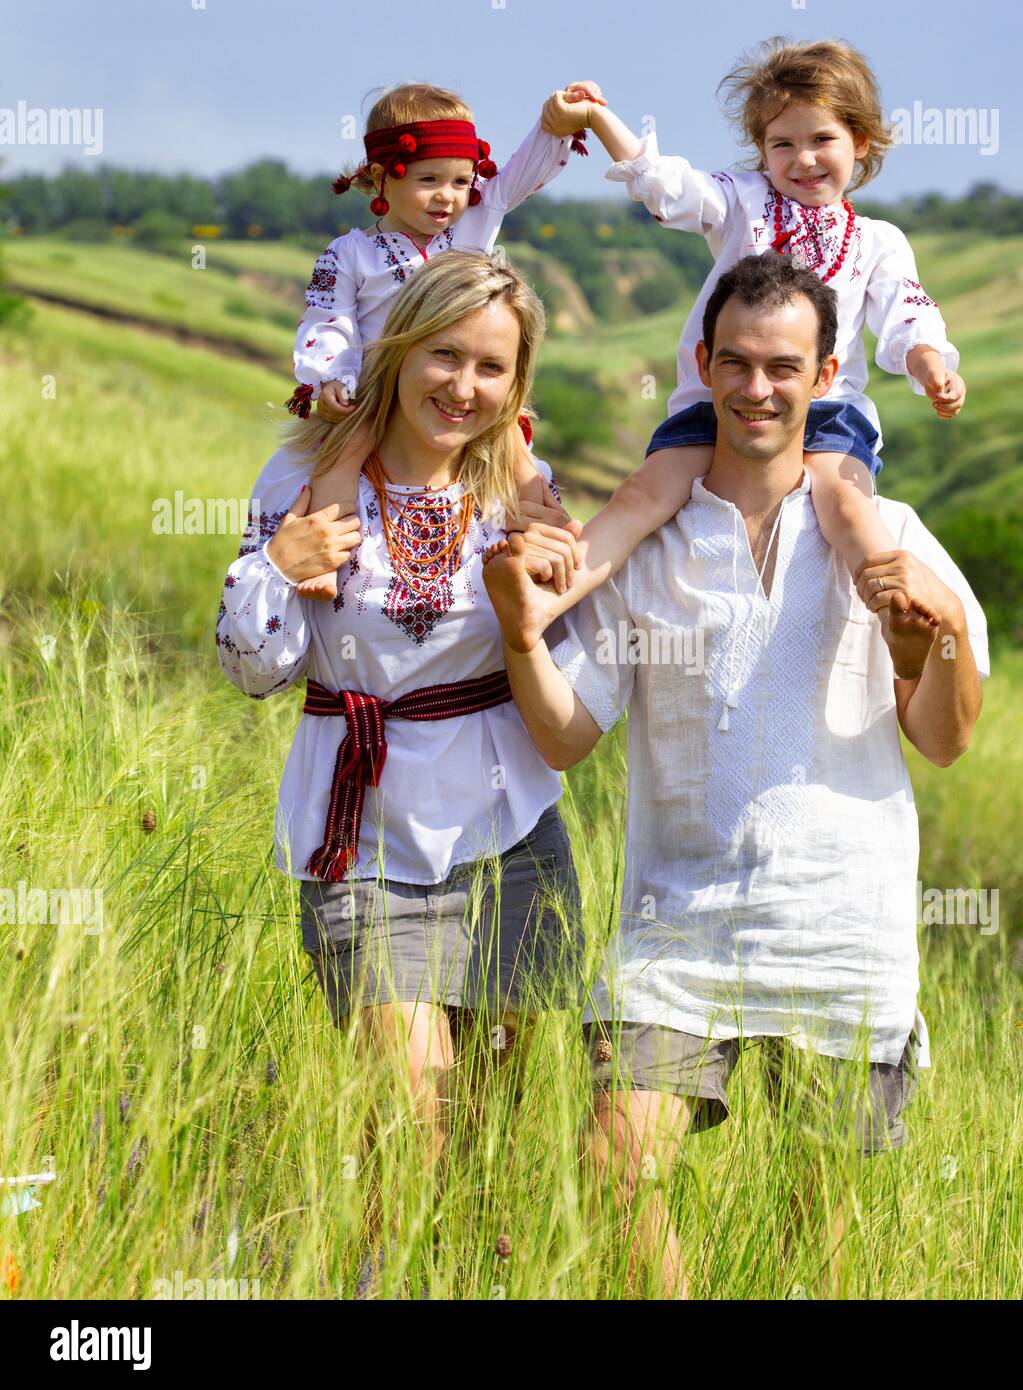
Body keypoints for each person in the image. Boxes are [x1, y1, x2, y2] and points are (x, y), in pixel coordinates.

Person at [482, 251, 989, 1297]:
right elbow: (567, 737)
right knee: (614, 1168)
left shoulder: (887, 539)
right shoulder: (652, 547)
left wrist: (928, 646)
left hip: (842, 930)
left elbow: (943, 738)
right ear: (704, 363)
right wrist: (524, 637)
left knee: (820, 1234)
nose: (760, 389)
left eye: (785, 367)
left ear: (827, 374)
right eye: (741, 363)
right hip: (677, 928)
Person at [215, 250, 584, 1245]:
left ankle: (457, 1274)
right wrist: (280, 570)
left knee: (488, 1137)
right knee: (411, 1114)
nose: (463, 385)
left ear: (516, 384)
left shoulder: (523, 488)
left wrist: (554, 592)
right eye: (444, 355)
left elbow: (573, 672)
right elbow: (253, 672)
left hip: (511, 838)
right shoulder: (306, 479)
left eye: (491, 367)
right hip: (362, 836)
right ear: (401, 348)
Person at [514, 34, 966, 634]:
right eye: (783, 144)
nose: (803, 160)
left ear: (860, 141)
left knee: (848, 503)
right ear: (761, 149)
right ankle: (552, 600)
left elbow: (907, 312)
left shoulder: (878, 242)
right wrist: (599, 118)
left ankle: (896, 615)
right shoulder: (743, 201)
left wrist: (930, 363)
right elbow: (666, 184)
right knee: (641, 495)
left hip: (826, 412)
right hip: (717, 403)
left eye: (821, 140)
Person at [282, 79, 598, 600]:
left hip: (454, 383)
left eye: (459, 181)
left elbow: (521, 171)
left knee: (513, 449)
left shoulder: (477, 219)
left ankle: (541, 527)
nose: (448, 197)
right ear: (383, 177)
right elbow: (326, 317)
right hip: (375, 392)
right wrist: (331, 377)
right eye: (429, 179)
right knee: (342, 456)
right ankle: (329, 557)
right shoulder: (351, 253)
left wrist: (553, 125)